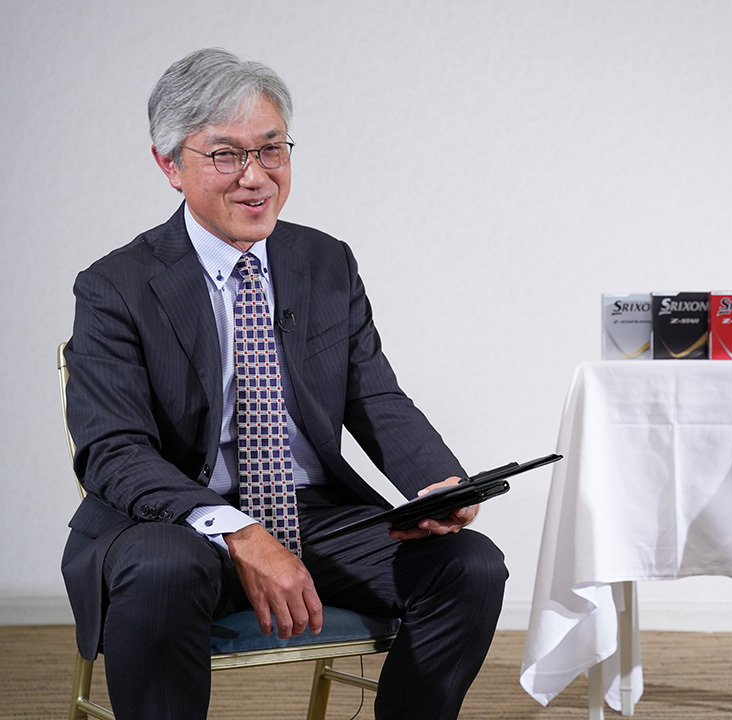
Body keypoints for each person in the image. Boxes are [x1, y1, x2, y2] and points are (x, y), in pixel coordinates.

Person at [60, 48, 507, 720]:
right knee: (162, 568)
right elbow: (113, 451)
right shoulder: (115, 286)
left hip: (311, 516)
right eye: (225, 155)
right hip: (174, 523)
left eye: (271, 150)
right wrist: (239, 531)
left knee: (469, 566)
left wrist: (437, 482)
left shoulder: (325, 261)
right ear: (170, 166)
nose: (255, 177)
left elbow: (372, 393)